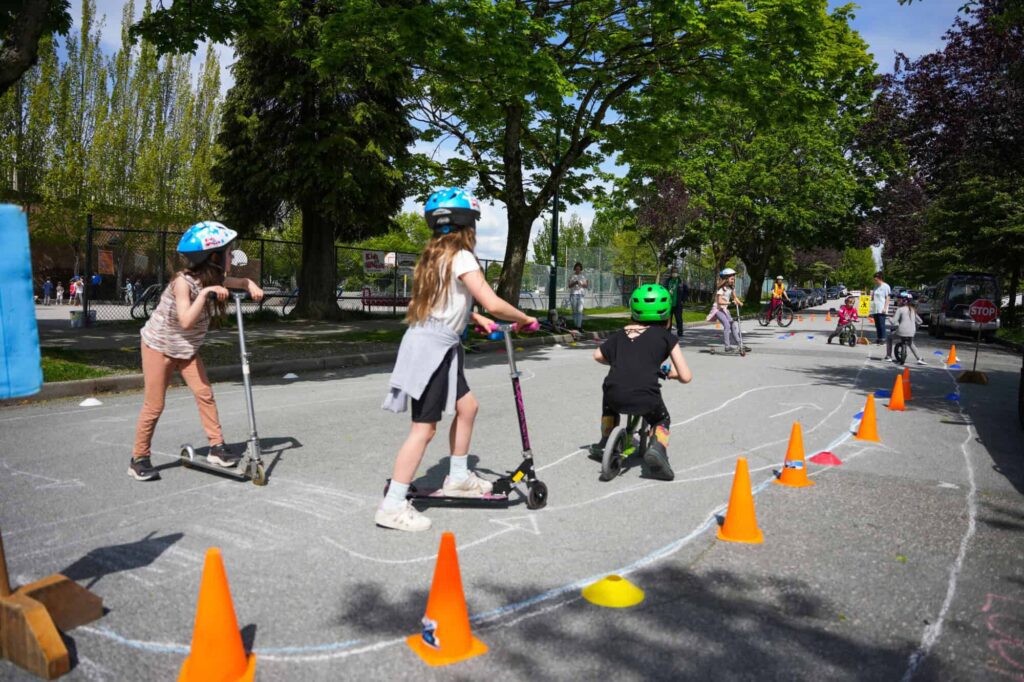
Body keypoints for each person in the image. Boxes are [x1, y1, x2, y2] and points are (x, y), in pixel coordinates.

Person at [378, 187, 538, 532]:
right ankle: (391, 507)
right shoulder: (463, 257)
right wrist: (523, 318)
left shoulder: (433, 257)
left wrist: (474, 318)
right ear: (468, 225)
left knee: (468, 407)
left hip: (436, 344)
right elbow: (492, 301)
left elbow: (447, 301)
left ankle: (459, 475)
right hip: (432, 350)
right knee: (424, 429)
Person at [128, 221, 263, 482]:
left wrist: (249, 284)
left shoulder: (216, 278)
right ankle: (139, 458)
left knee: (205, 394)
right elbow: (186, 319)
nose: (231, 257)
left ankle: (216, 447)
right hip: (159, 347)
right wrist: (205, 295)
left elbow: (241, 281)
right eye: (228, 253)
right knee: (154, 405)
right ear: (213, 257)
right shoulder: (183, 282)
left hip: (187, 349)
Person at [587, 284, 692, 481]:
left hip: (614, 396)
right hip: (646, 398)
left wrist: (619, 361)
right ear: (667, 315)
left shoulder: (620, 334)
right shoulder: (667, 338)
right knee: (662, 419)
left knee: (609, 398)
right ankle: (657, 450)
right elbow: (686, 376)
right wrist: (672, 374)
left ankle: (606, 439)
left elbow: (597, 355)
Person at [707, 268, 745, 353]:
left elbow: (735, 297)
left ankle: (740, 344)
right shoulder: (722, 289)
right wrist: (729, 303)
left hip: (724, 309)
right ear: (726, 279)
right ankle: (727, 346)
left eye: (733, 279)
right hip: (718, 309)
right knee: (727, 325)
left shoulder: (731, 288)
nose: (733, 280)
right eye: (732, 279)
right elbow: (719, 301)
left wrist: (739, 303)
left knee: (733, 325)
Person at [885, 292, 926, 364]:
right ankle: (920, 359)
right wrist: (915, 328)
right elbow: (920, 321)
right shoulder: (913, 310)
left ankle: (889, 356)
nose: (897, 300)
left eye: (899, 299)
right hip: (911, 332)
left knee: (889, 337)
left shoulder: (900, 309)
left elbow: (893, 322)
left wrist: (888, 318)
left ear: (904, 301)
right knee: (910, 343)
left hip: (901, 331)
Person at [663, 266, 688, 337]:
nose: (674, 273)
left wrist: (683, 299)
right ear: (671, 273)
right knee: (668, 319)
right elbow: (663, 290)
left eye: (676, 272)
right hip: (668, 304)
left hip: (678, 304)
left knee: (679, 319)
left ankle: (680, 332)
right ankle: (667, 332)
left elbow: (687, 291)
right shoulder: (667, 281)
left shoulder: (681, 282)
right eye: (673, 272)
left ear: (678, 273)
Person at [870, 271, 891, 345]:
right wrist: (871, 309)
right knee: (877, 324)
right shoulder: (875, 286)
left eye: (876, 279)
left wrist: (885, 308)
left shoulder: (886, 286)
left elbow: (888, 297)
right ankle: (879, 338)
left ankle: (883, 338)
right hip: (875, 308)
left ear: (880, 279)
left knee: (881, 324)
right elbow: (873, 297)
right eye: (874, 280)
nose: (874, 281)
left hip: (882, 308)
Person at [567, 262, 588, 330]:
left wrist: (580, 283)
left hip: (581, 294)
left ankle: (579, 326)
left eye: (579, 269)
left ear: (581, 269)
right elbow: (569, 286)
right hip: (573, 294)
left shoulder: (583, 276)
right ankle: (575, 325)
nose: (577, 270)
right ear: (575, 269)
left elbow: (586, 285)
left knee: (580, 311)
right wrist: (575, 282)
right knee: (575, 311)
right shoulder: (572, 276)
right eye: (576, 269)